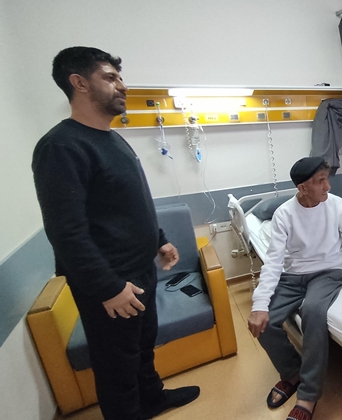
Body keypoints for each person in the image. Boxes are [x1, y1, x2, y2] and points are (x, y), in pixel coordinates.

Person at [32, 47, 200, 420]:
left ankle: (152, 399)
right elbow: (65, 231)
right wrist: (108, 287)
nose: (122, 86)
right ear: (79, 83)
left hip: (140, 272)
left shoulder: (111, 139)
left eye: (120, 78)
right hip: (111, 282)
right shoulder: (61, 147)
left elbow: (128, 203)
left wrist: (159, 240)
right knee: (116, 366)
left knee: (142, 348)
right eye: (110, 78)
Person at [247, 157, 342, 420]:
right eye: (320, 181)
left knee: (313, 311)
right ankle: (292, 374)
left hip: (328, 272)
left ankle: (308, 394)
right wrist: (259, 305)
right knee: (264, 322)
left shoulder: (337, 206)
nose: (328, 186)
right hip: (293, 276)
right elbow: (273, 262)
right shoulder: (284, 214)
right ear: (302, 188)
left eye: (327, 179)